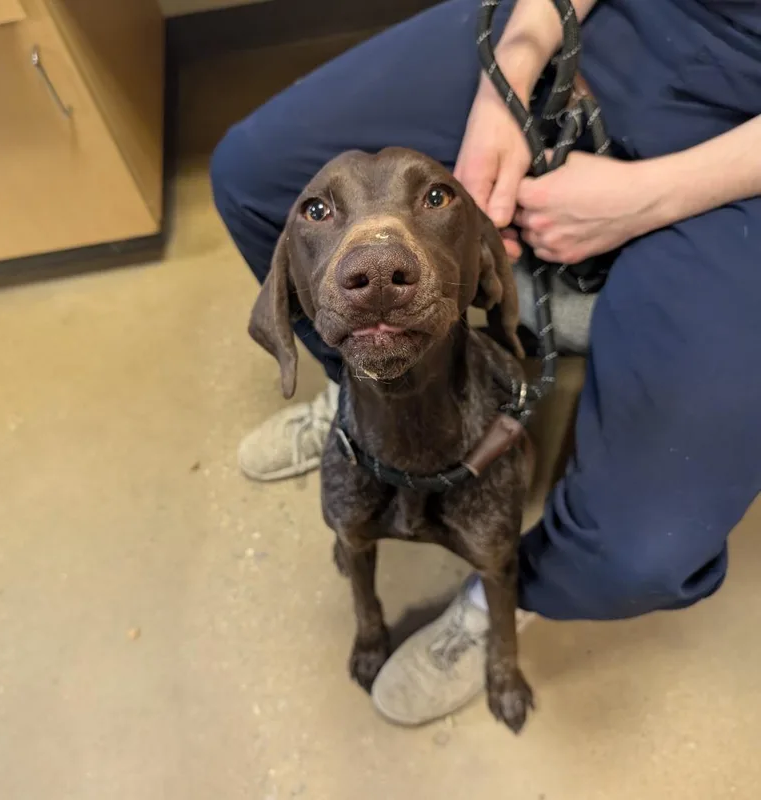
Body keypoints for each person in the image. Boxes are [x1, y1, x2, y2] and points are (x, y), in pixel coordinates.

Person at [210, 0, 761, 725]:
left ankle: (501, 597)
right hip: (616, 17)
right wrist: (512, 69)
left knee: (642, 554)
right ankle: (370, 392)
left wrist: (649, 200)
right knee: (249, 172)